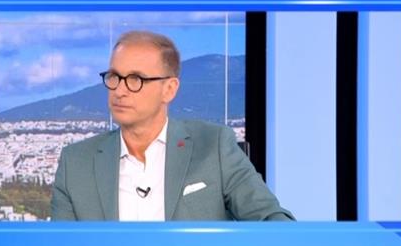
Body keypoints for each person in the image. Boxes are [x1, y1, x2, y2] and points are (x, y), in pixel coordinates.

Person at [51, 30, 292, 221]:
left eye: (135, 79)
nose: (120, 91)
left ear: (169, 89)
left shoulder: (214, 146)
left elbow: (272, 221)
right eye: (114, 77)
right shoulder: (75, 163)